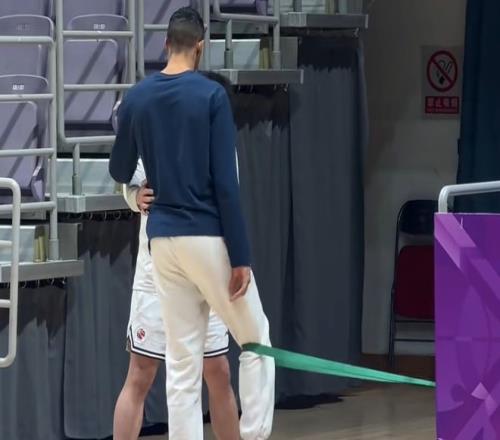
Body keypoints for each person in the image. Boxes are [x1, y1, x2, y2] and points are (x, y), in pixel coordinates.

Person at [109, 7, 275, 440]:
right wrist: (240, 256)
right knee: (256, 338)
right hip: (204, 235)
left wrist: (135, 193)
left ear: (166, 43)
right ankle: (255, 434)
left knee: (182, 365)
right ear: (200, 47)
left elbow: (119, 168)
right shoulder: (211, 96)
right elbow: (226, 185)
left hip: (162, 243)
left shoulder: (137, 97)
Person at [114, 157, 239, 438]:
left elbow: (230, 195)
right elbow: (125, 176)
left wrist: (236, 259)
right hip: (156, 275)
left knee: (218, 371)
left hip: (206, 274)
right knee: (140, 372)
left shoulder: (217, 133)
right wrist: (134, 196)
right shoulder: (150, 131)